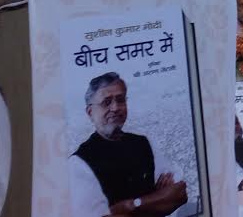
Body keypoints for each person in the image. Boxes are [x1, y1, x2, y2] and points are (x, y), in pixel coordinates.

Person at [69, 72, 191, 216]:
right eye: (106, 102)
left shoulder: (144, 144)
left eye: (120, 100)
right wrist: (157, 199)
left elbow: (179, 193)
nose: (115, 108)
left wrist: (129, 206)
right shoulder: (79, 163)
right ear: (90, 112)